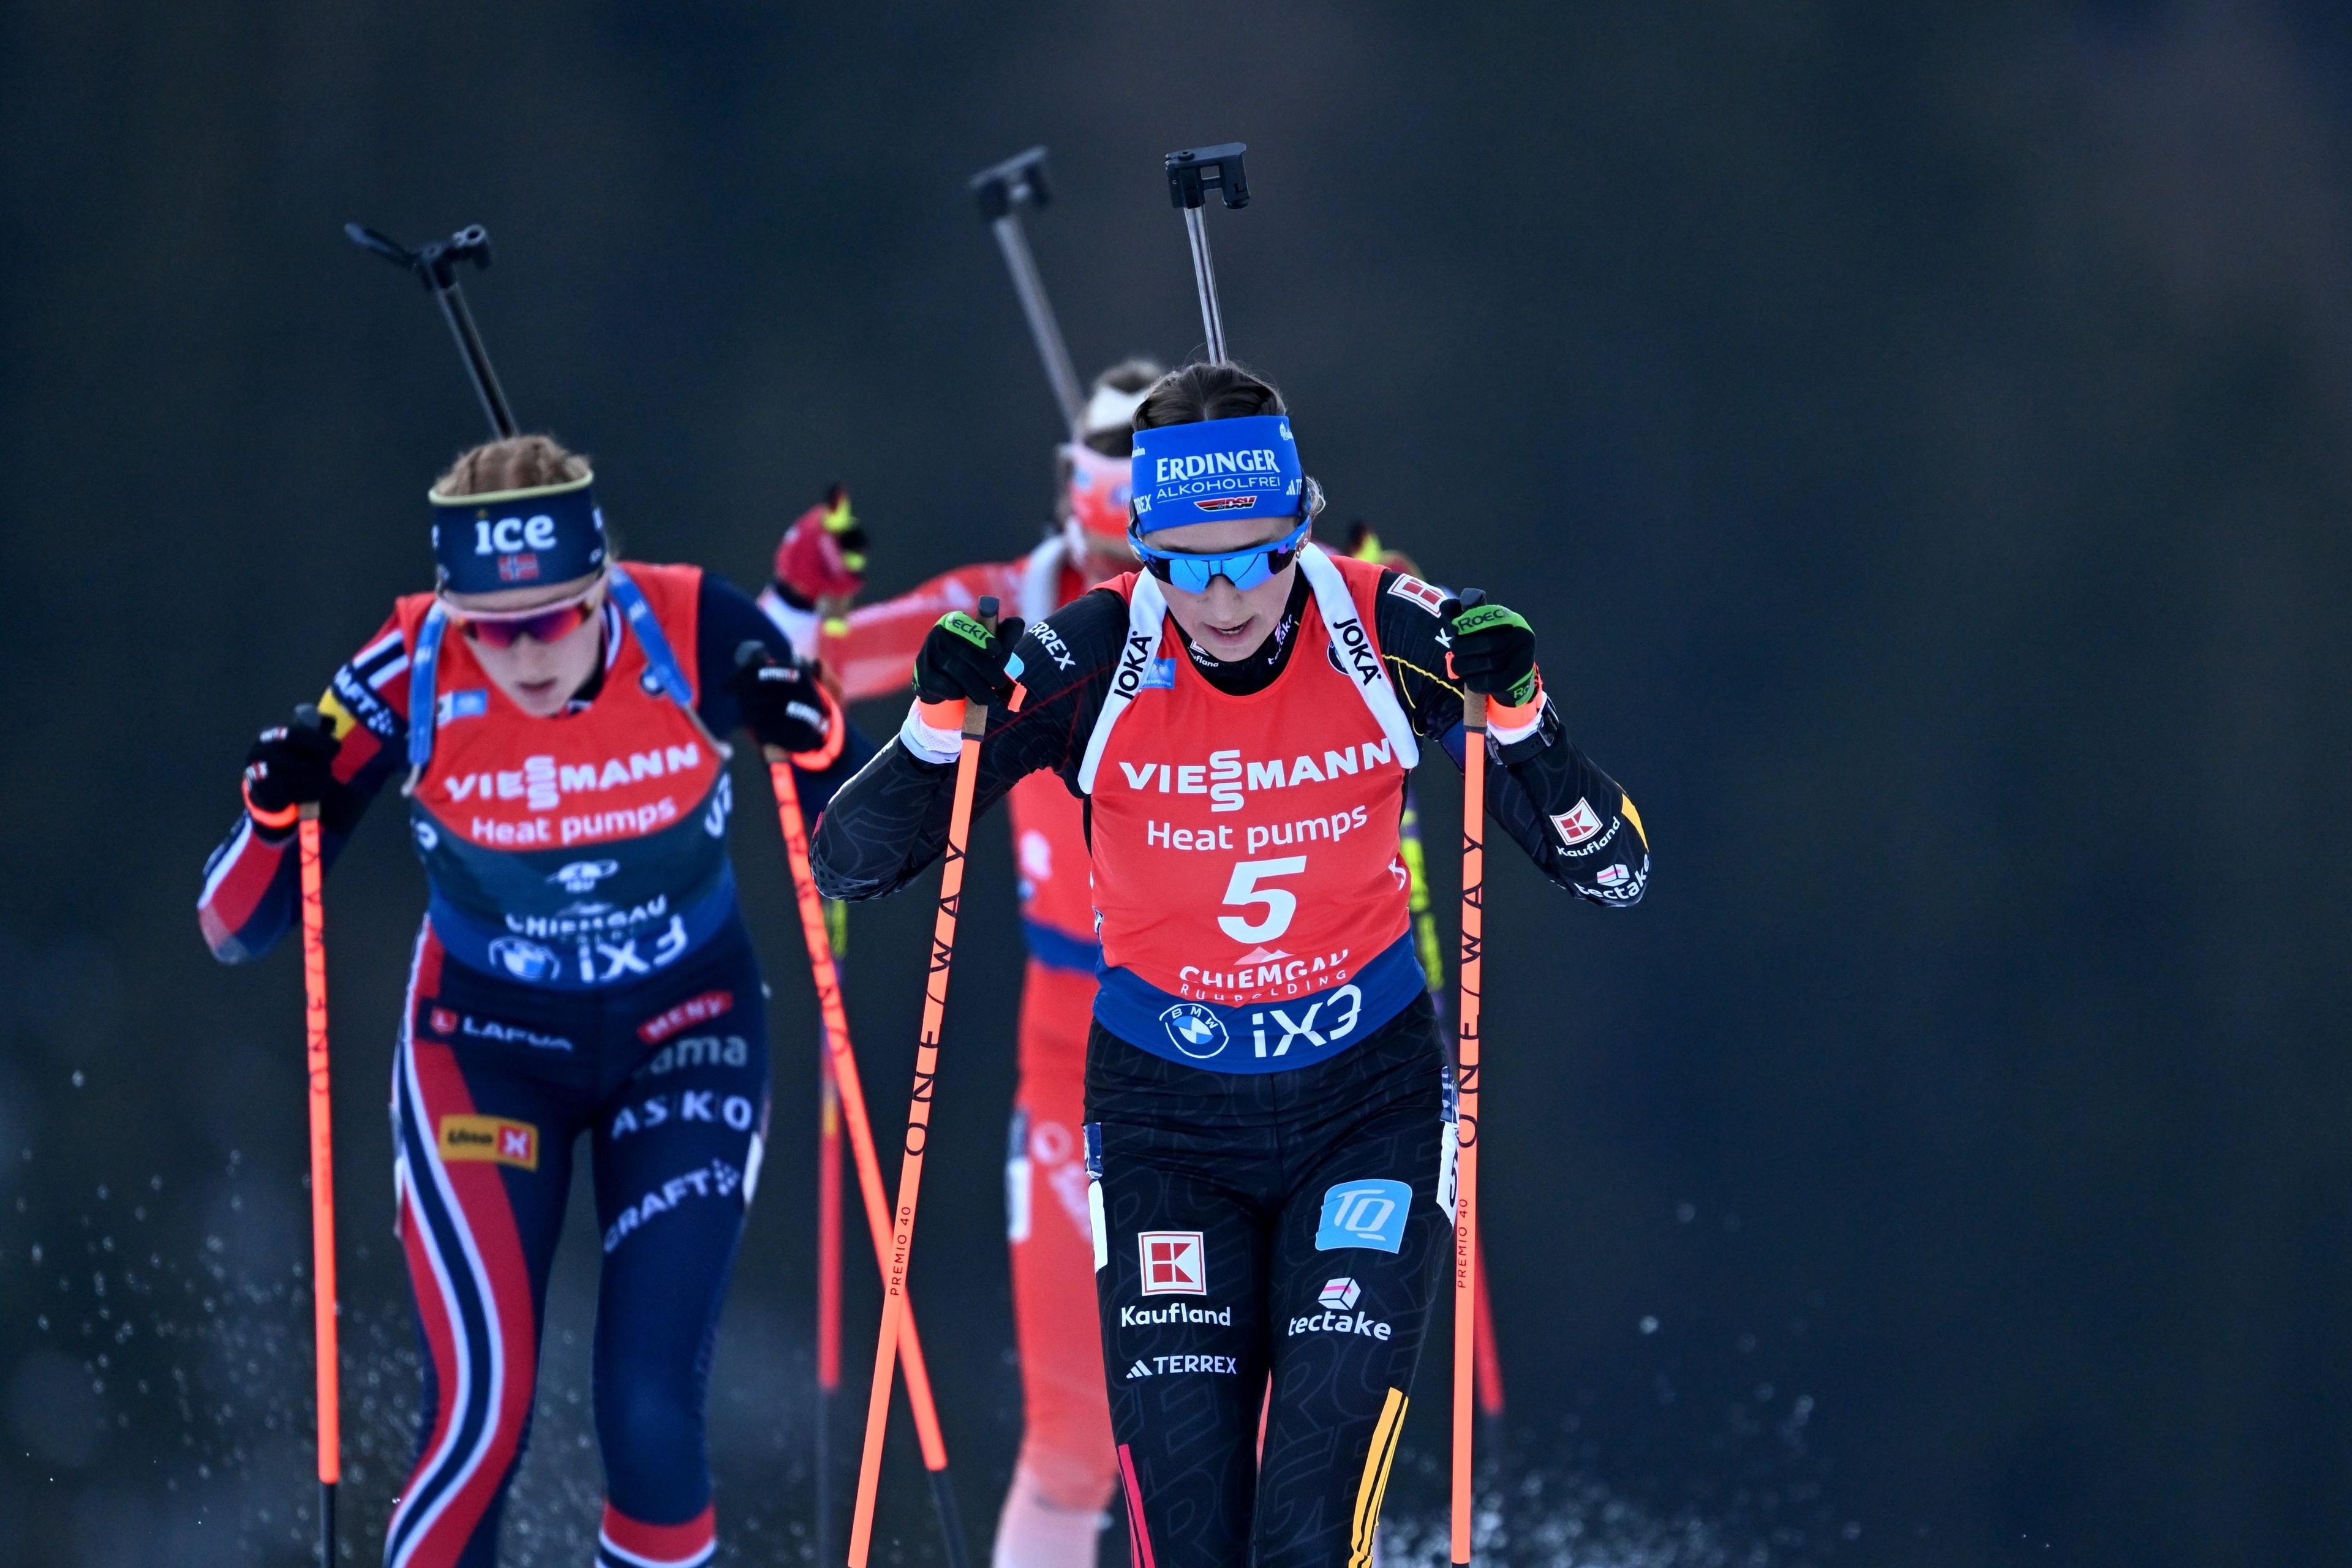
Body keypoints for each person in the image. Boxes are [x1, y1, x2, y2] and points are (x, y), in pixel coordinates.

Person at [810, 363, 1649, 1568]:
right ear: (1141, 548)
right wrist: (932, 726)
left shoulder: (1389, 633)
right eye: (1187, 563)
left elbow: (1611, 869)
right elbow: (855, 861)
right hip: (1166, 1120)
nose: (1223, 596)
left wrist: (1521, 711)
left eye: (1254, 555)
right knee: (1186, 1534)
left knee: (1306, 1526)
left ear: (1298, 527)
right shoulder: (1089, 656)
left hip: (1366, 1106)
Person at [198, 434, 865, 1568]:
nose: (525, 655)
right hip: (486, 1047)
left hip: (686, 1036)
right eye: (493, 628)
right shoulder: (407, 665)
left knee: (651, 1414)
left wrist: (808, 723)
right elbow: (235, 926)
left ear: (601, 584)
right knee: (480, 1413)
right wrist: (275, 811)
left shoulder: (693, 624)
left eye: (555, 618)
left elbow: (844, 793)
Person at [760, 360, 1160, 1568]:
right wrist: (796, 596)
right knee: (1076, 1437)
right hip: (1067, 1059)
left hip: (1233, 1030)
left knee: (1222, 1436)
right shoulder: (1006, 603)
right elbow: (821, 663)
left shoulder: (1235, 601)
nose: (1126, 589)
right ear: (1070, 496)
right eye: (1109, 559)